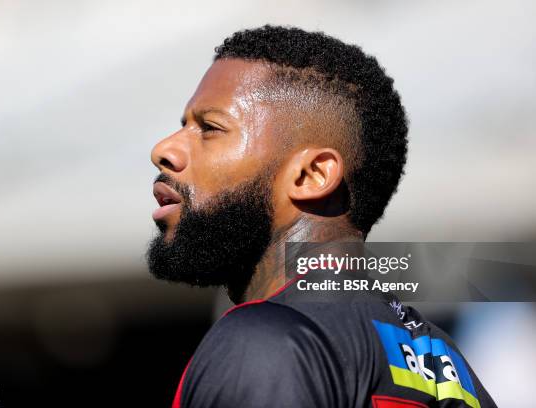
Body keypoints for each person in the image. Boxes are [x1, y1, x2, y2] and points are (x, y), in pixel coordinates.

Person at [147, 25, 496, 408]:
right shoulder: (448, 366)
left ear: (312, 175)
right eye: (184, 126)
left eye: (210, 128)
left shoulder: (265, 344)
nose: (164, 150)